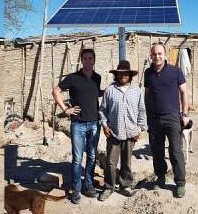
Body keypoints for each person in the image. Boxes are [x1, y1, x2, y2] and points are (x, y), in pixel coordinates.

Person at [52, 48, 101, 204]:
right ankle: (76, 189)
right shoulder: (73, 78)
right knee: (77, 159)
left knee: (92, 156)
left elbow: (94, 93)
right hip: (78, 124)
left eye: (90, 58)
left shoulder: (97, 78)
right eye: (85, 58)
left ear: (94, 60)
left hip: (94, 123)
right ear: (81, 60)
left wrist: (108, 91)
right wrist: (65, 109)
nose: (88, 60)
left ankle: (88, 185)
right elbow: (56, 91)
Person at [144, 43, 189, 198]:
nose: (157, 56)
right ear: (151, 56)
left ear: (165, 55)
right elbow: (147, 95)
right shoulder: (148, 73)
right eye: (154, 54)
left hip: (172, 118)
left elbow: (183, 92)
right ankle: (161, 177)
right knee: (157, 151)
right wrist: (148, 115)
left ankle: (180, 183)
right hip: (154, 118)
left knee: (176, 151)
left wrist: (185, 114)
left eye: (160, 53)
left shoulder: (175, 71)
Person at [97, 60, 146, 201]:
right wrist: (105, 125)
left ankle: (125, 186)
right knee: (111, 163)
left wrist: (140, 129)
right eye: (120, 73)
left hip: (131, 133)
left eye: (126, 73)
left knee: (127, 162)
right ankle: (109, 187)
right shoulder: (110, 90)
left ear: (130, 75)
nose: (123, 75)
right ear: (116, 75)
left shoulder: (136, 91)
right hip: (114, 132)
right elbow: (103, 110)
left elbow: (142, 111)